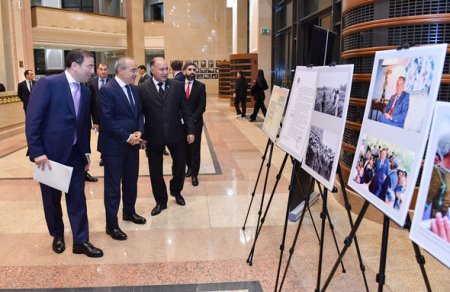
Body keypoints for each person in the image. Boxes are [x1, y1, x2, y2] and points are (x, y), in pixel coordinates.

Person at [25, 49, 103, 257]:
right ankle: (57, 234)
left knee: (78, 198)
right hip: (50, 156)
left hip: (76, 154)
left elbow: (83, 124)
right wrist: (37, 151)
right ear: (74, 66)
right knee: (51, 200)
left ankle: (81, 241)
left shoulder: (86, 91)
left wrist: (86, 151)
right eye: (89, 66)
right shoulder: (48, 84)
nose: (92, 71)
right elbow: (33, 120)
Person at [138, 57, 194, 216]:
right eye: (161, 69)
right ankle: (160, 201)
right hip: (153, 135)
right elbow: (138, 114)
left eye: (166, 69)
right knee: (155, 170)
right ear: (152, 70)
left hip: (176, 134)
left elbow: (186, 109)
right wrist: (140, 133)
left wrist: (190, 130)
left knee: (180, 165)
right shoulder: (142, 89)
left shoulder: (177, 86)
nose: (165, 72)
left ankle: (176, 190)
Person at [98, 57, 146, 241]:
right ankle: (111, 224)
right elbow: (107, 120)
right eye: (133, 70)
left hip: (132, 146)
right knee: (112, 187)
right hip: (114, 147)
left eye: (135, 70)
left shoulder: (134, 90)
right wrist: (127, 137)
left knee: (131, 181)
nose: (136, 74)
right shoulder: (107, 90)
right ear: (120, 70)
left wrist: (139, 132)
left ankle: (129, 212)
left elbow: (139, 113)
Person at [183, 62, 206, 186]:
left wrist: (191, 119)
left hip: (195, 123)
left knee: (195, 149)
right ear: (184, 71)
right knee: (185, 148)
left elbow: (202, 107)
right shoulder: (178, 86)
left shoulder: (200, 86)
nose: (192, 72)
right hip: (181, 124)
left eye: (194, 70)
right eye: (189, 69)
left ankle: (195, 175)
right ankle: (189, 167)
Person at [87, 63, 111, 169]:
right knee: (102, 136)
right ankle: (103, 156)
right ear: (97, 70)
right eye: (101, 69)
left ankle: (107, 156)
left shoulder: (113, 82)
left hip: (111, 115)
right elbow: (91, 103)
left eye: (105, 69)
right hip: (98, 115)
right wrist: (95, 121)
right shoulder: (91, 83)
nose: (103, 71)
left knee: (109, 135)